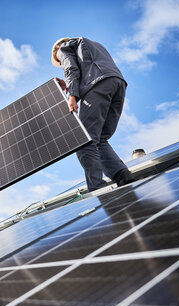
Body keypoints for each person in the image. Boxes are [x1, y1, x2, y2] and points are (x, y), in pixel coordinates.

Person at [51, 37, 135, 192]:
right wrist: (68, 87)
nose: (61, 62)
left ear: (57, 49)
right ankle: (121, 174)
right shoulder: (95, 44)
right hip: (117, 84)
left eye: (59, 61)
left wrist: (72, 96)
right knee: (100, 139)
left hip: (98, 85)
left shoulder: (63, 47)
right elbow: (92, 68)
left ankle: (97, 188)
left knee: (85, 140)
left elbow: (71, 69)